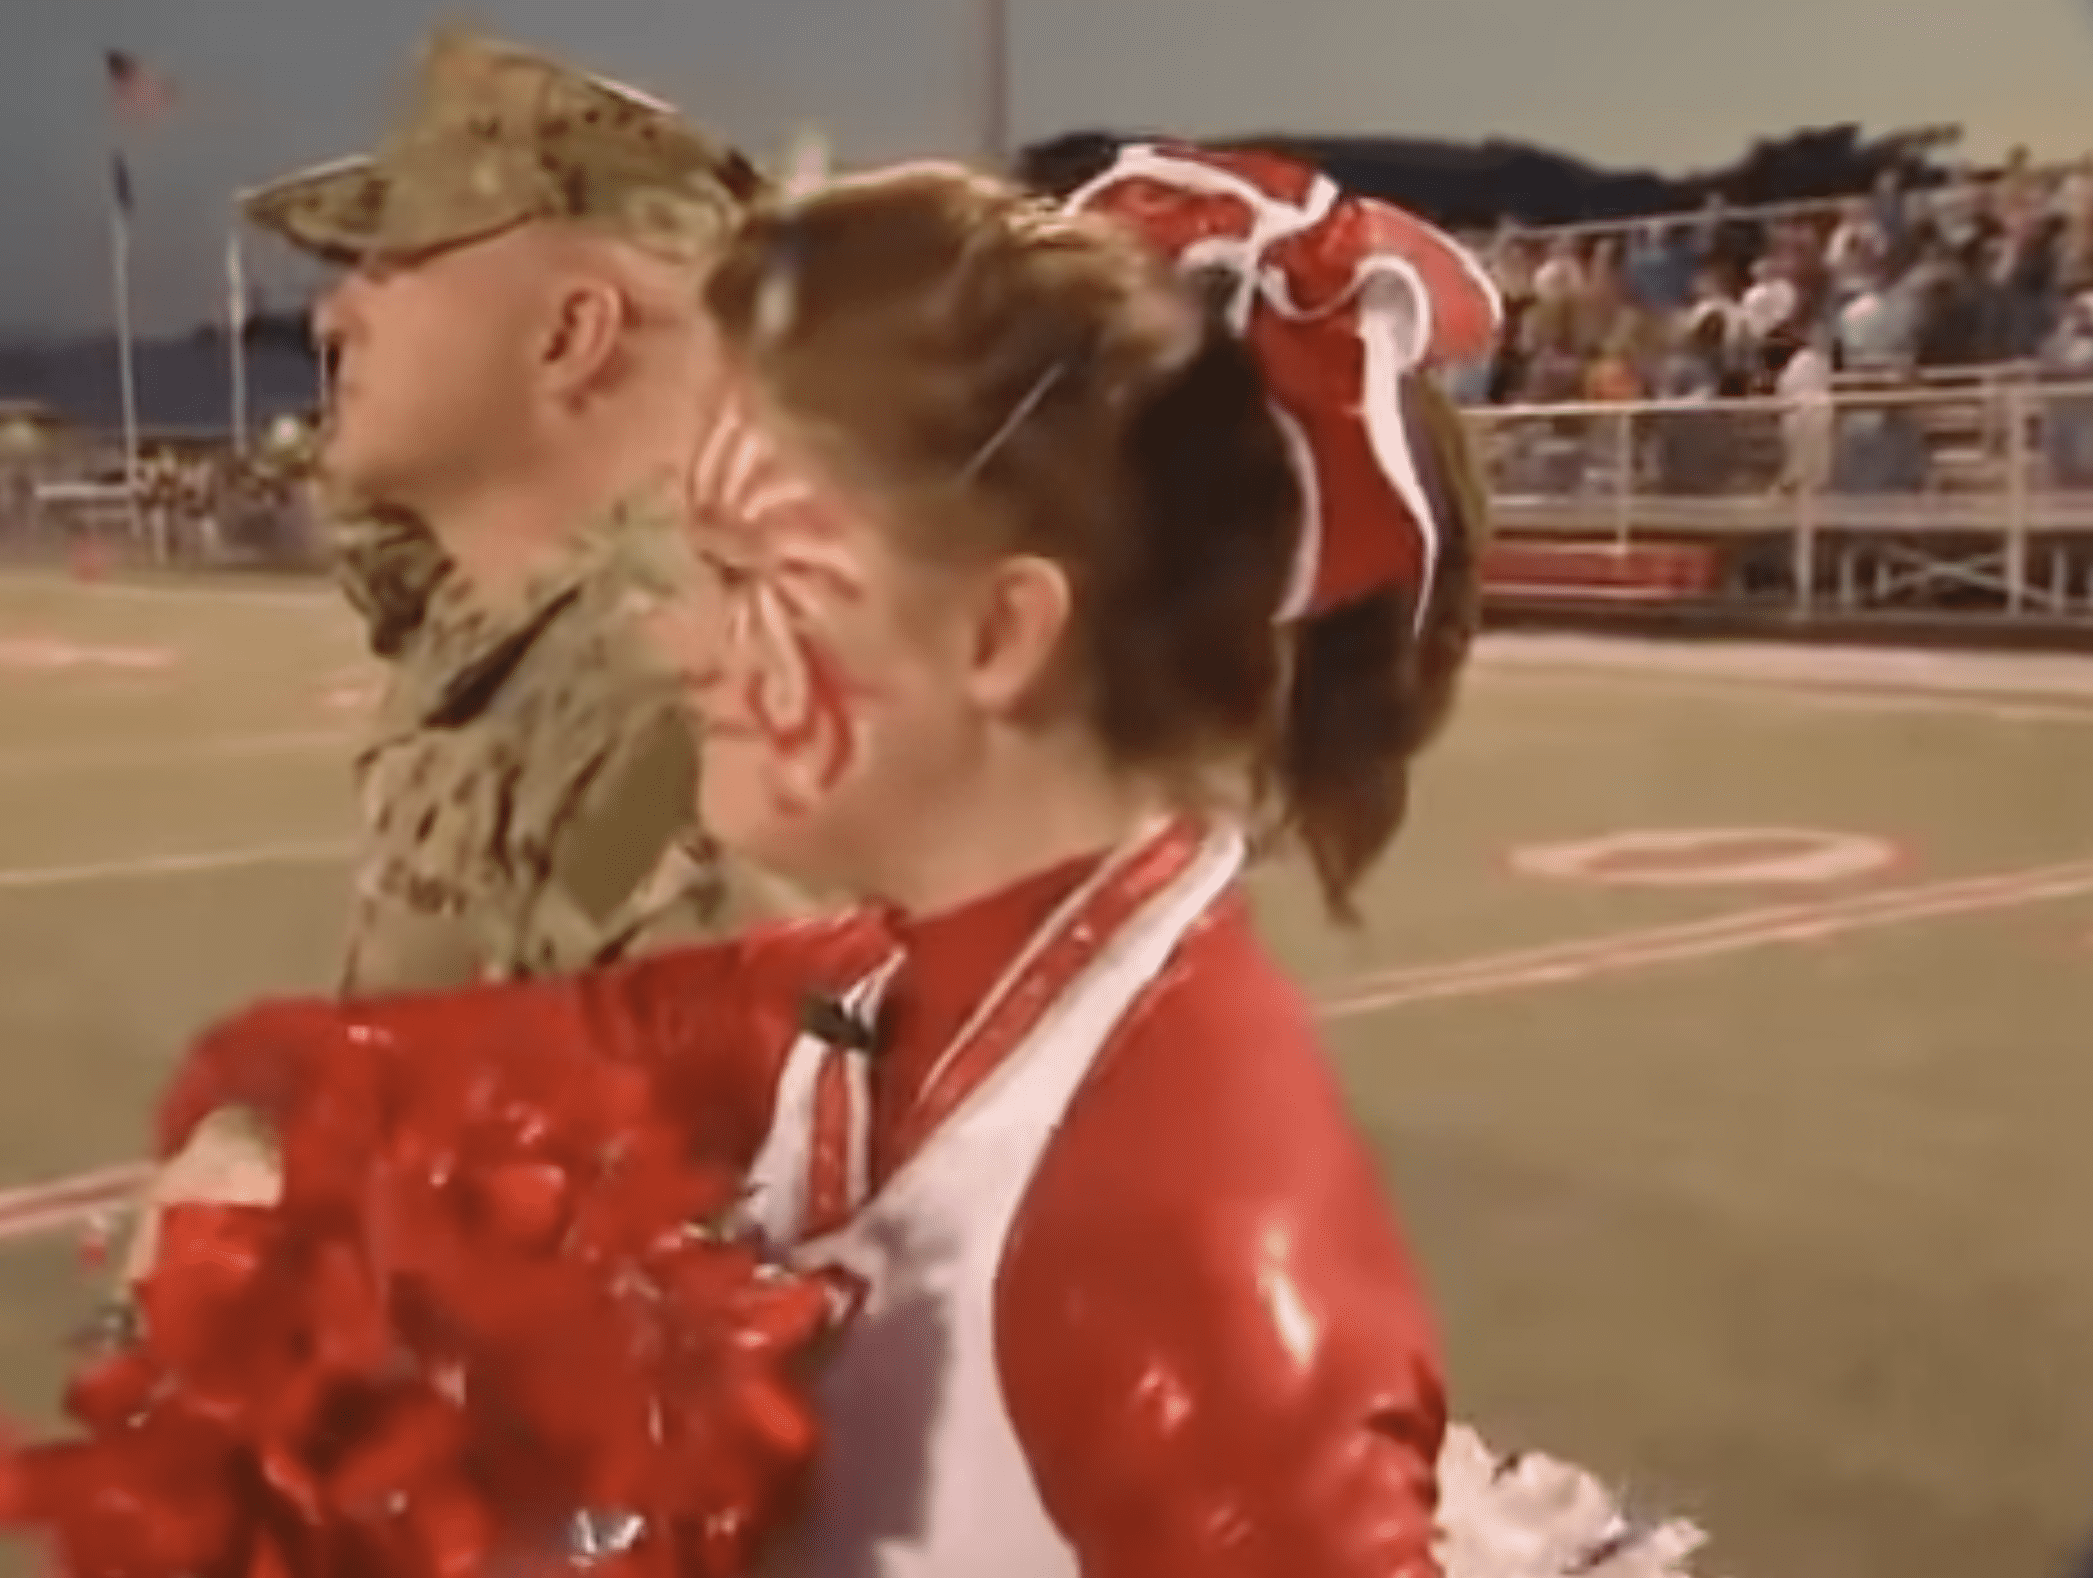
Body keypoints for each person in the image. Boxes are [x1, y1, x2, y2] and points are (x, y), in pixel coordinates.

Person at [145, 157, 1701, 1575]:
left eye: (746, 570)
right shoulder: (891, 993)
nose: (675, 635)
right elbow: (379, 1076)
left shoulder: (1165, 1233)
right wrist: (271, 1163)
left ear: (994, 633)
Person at [238, 25, 778, 996]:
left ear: (570, 334)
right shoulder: (494, 634)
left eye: (390, 264)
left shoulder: (701, 710)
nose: (330, 317)